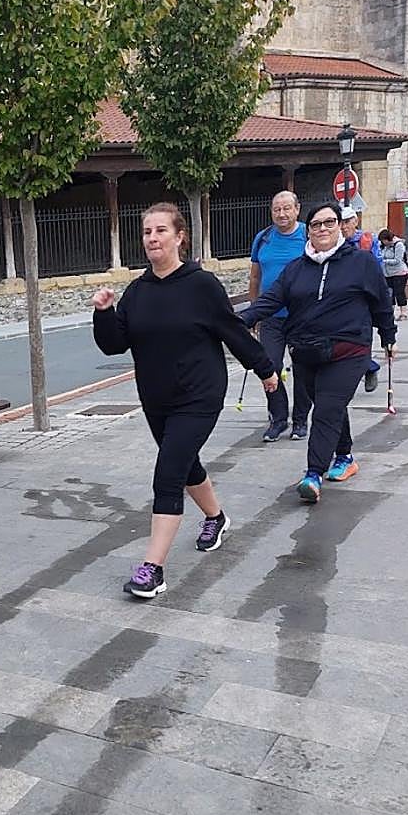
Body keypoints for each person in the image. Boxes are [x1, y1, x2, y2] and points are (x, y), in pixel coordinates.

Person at [92, 203, 278, 599]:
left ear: (180, 237)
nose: (153, 238)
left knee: (168, 472)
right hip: (156, 399)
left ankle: (152, 569)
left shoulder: (202, 285)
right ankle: (216, 516)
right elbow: (114, 344)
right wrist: (105, 313)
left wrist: (264, 369)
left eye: (161, 230)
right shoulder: (138, 291)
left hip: (200, 394)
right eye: (147, 232)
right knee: (185, 463)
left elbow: (233, 331)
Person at [240, 202, 397, 504]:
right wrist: (234, 322)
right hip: (307, 351)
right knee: (329, 405)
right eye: (316, 224)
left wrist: (388, 336)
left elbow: (381, 302)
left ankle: (313, 474)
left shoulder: (361, 263)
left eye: (329, 223)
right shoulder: (295, 269)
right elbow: (268, 302)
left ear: (340, 226)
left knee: (326, 407)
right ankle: (346, 456)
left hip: (349, 349)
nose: (322, 229)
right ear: (308, 231)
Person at [248, 191, 311, 442]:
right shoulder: (263, 238)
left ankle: (300, 420)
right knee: (269, 366)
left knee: (304, 369)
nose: (282, 214)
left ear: (297, 209)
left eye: (287, 208)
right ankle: (278, 417)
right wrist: (254, 312)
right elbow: (255, 277)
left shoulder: (309, 234)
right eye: (277, 209)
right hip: (271, 317)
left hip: (302, 315)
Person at [341, 206, 384, 391]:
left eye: (347, 222)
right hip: (342, 298)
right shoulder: (336, 243)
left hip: (364, 298)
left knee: (362, 340)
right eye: (341, 223)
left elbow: (378, 268)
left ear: (355, 221)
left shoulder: (368, 240)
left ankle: (369, 368)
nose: (343, 227)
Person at [379, 228, 408, 322]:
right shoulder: (384, 247)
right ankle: (390, 313)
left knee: (399, 292)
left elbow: (398, 260)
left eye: (384, 240)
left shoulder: (398, 245)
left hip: (399, 272)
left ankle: (403, 313)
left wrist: (383, 261)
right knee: (389, 293)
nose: (383, 242)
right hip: (387, 273)